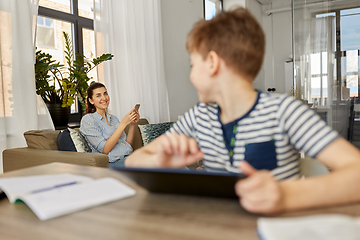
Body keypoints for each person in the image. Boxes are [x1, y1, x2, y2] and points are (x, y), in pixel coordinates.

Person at [125, 7, 360, 214]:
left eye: (193, 65)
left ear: (212, 63)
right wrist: (159, 160)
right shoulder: (198, 117)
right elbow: (133, 162)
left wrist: (286, 195)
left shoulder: (284, 111)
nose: (191, 75)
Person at [80, 82, 140, 167]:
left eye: (105, 93)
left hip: (127, 157)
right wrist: (123, 124)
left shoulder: (114, 118)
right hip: (111, 163)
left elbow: (127, 145)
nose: (104, 98)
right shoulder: (88, 120)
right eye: (98, 95)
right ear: (91, 100)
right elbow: (105, 150)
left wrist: (132, 125)